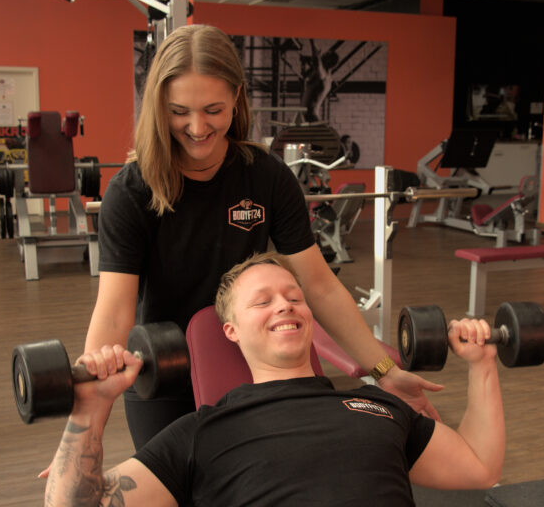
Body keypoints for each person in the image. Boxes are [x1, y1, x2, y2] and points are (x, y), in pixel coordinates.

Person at [86, 23, 441, 450]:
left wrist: (384, 370)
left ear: (236, 97)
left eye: (213, 110)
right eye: (179, 111)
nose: (197, 127)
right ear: (159, 105)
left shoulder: (265, 175)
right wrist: (85, 432)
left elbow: (320, 286)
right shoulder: (132, 191)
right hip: (164, 369)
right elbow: (113, 315)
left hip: (248, 361)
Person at [44, 252, 505, 506]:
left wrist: (482, 364)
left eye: (293, 296)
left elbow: (479, 466)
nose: (285, 305)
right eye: (262, 301)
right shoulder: (200, 433)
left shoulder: (381, 408)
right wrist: (91, 408)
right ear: (230, 331)